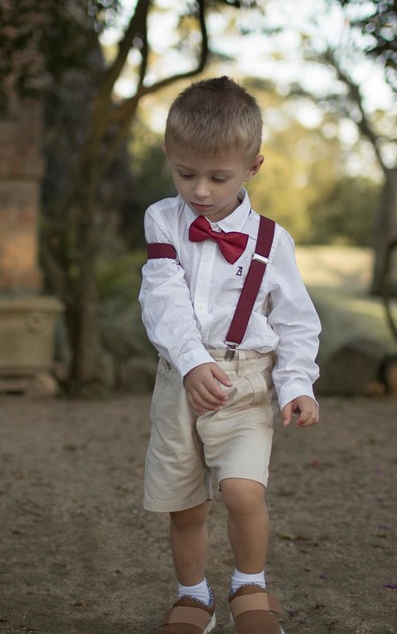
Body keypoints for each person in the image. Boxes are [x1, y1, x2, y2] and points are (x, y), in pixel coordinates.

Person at [139, 76, 321, 634]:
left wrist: (296, 385)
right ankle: (194, 597)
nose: (199, 191)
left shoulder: (272, 242)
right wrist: (192, 362)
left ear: (252, 167)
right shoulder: (163, 219)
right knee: (186, 506)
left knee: (243, 492)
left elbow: (295, 321)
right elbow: (162, 297)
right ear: (170, 159)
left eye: (217, 177)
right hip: (180, 378)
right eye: (185, 173)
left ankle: (250, 586)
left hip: (245, 382)